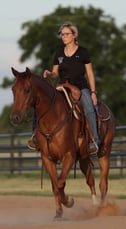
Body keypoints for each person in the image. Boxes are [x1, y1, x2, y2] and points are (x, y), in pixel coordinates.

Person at [28, 22, 100, 155]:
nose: (64, 36)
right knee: (40, 104)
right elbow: (55, 74)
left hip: (80, 87)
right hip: (62, 87)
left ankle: (94, 140)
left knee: (89, 108)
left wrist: (93, 92)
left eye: (67, 34)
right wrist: (50, 74)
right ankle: (35, 136)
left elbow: (90, 73)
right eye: (62, 34)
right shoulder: (59, 53)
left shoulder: (83, 52)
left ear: (74, 36)